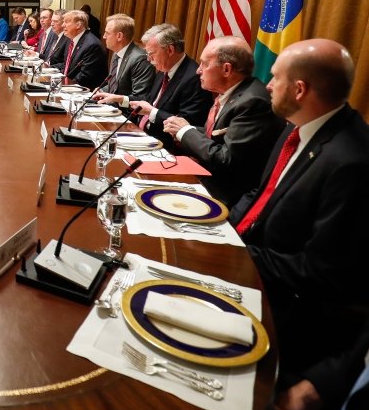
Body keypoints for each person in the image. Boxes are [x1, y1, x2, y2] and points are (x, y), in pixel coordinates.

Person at [229, 39, 369, 384]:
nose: (268, 86)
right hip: (251, 260)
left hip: (286, 309)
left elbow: (319, 271)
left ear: (300, 89)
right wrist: (217, 229)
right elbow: (258, 194)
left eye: (274, 77)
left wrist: (234, 253)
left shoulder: (351, 161)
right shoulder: (296, 126)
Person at [161, 36, 284, 205]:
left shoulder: (253, 101)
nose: (198, 70)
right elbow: (217, 135)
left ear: (226, 69)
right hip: (205, 178)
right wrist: (185, 131)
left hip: (225, 195)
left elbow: (227, 160)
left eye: (205, 64)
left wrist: (185, 132)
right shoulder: (234, 93)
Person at [128, 23, 213, 150]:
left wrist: (151, 112)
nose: (149, 59)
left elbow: (186, 124)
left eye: (152, 54)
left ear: (170, 50)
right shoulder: (164, 69)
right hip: (142, 136)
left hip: (166, 147)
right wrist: (123, 100)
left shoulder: (193, 78)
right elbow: (151, 100)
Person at [92, 13, 154, 107]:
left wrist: (117, 99)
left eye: (107, 33)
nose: (104, 36)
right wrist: (102, 91)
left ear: (119, 36)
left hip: (127, 115)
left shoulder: (140, 59)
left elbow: (141, 97)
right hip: (110, 109)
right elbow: (114, 85)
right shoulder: (116, 54)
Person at [50, 9, 108, 89]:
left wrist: (63, 86)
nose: (63, 25)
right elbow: (67, 66)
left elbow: (85, 76)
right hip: (69, 88)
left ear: (78, 25)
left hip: (84, 92)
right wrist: (49, 71)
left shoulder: (92, 45)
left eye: (66, 22)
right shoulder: (71, 40)